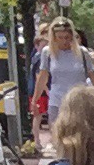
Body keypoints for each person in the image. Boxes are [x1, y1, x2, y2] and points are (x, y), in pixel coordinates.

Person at [31, 19, 88, 150]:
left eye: (67, 37)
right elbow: (42, 77)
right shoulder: (47, 52)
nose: (64, 41)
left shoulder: (82, 52)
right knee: (59, 138)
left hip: (78, 101)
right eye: (60, 38)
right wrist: (35, 100)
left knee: (79, 139)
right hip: (57, 100)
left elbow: (93, 77)